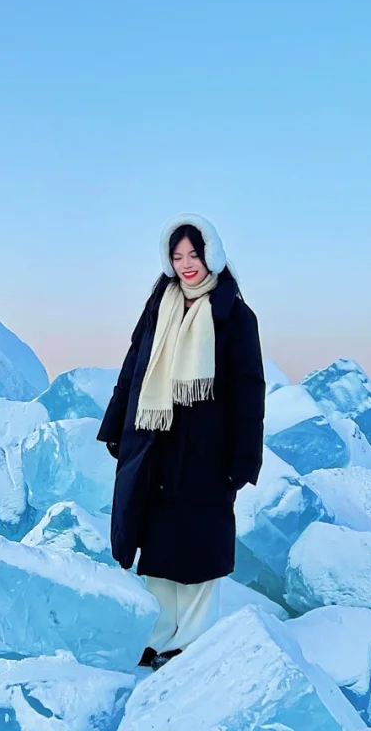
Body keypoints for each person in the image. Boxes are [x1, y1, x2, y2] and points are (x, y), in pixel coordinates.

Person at [98, 214, 265, 669]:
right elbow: (134, 368)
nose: (187, 264)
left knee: (197, 549)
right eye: (178, 256)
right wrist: (117, 425)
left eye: (194, 254)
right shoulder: (161, 306)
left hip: (207, 452)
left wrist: (242, 458)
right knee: (157, 546)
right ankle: (157, 636)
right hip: (157, 443)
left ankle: (190, 642)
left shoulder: (234, 315)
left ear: (212, 254)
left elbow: (249, 389)